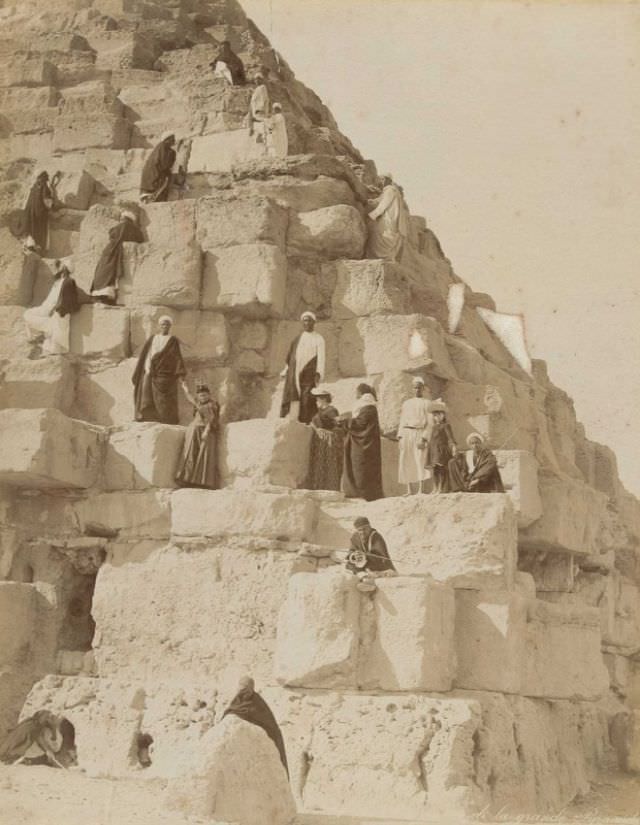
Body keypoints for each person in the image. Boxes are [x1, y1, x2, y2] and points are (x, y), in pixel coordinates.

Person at [223, 676, 288, 777]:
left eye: (247, 689)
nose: (244, 693)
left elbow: (267, 724)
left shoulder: (258, 704)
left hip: (268, 744)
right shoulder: (238, 700)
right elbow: (233, 712)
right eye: (241, 689)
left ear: (252, 689)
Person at [132, 315, 187, 424]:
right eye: (163, 324)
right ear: (159, 326)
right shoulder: (153, 338)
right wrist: (147, 368)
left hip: (165, 374)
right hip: (151, 370)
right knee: (146, 393)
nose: (165, 326)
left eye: (167, 324)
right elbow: (147, 354)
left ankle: (165, 419)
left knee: (164, 399)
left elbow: (177, 357)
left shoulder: (172, 340)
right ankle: (147, 416)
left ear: (170, 326)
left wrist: (181, 373)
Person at [23, 260, 80, 355]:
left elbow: (68, 299)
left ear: (65, 268)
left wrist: (56, 309)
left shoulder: (69, 281)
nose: (60, 267)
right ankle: (37, 339)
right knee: (28, 315)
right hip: (53, 310)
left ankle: (50, 350)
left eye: (62, 265)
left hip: (60, 311)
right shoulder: (60, 281)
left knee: (56, 335)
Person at [280, 311, 326, 424]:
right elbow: (290, 357)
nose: (306, 323)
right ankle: (293, 421)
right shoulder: (297, 338)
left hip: (309, 373)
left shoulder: (319, 338)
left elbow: (321, 358)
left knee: (306, 398)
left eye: (309, 320)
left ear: (313, 322)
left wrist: (319, 373)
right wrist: (286, 370)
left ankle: (306, 422)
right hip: (294, 372)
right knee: (293, 396)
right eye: (304, 320)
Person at [90, 209, 144, 305]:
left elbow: (112, 233)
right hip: (116, 250)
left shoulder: (121, 226)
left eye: (121, 218)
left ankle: (102, 295)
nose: (120, 220)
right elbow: (140, 238)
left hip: (111, 250)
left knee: (103, 271)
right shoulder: (136, 230)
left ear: (124, 218)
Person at [342, 383, 383, 501]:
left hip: (363, 446)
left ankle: (363, 493)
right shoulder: (367, 406)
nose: (355, 394)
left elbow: (360, 424)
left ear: (361, 392)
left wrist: (346, 421)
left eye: (356, 391)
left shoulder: (367, 407)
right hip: (365, 444)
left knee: (361, 468)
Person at [175, 382, 220, 489]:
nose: (203, 397)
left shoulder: (212, 404)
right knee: (190, 454)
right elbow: (190, 398)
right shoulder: (199, 404)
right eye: (200, 395)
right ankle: (187, 479)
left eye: (204, 395)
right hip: (194, 432)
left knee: (204, 456)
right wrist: (184, 388)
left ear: (209, 395)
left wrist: (206, 431)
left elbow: (212, 419)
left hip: (205, 432)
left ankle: (203, 482)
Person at [0, 711, 76, 768]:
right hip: (29, 744)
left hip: (27, 741)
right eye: (50, 718)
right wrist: (47, 750)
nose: (52, 718)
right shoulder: (37, 727)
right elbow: (40, 740)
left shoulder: (37, 724)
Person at [305, 387, 343, 491]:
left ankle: (329, 487)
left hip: (327, 439)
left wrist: (330, 434)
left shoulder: (331, 410)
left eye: (318, 398)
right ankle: (319, 486)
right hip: (319, 439)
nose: (316, 401)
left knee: (328, 461)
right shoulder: (320, 411)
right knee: (319, 462)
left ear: (323, 399)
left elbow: (338, 423)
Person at [397, 377, 431, 495]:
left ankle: (421, 489)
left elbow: (429, 422)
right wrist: (400, 436)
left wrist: (424, 438)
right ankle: (409, 489)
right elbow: (402, 420)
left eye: (419, 387)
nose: (417, 390)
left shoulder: (427, 403)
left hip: (419, 433)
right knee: (406, 459)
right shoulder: (406, 403)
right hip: (407, 433)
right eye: (415, 387)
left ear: (423, 389)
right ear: (412, 389)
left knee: (420, 459)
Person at [366, 174, 410, 261]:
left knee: (382, 234)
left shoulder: (390, 190)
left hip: (390, 218)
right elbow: (380, 200)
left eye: (383, 180)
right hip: (389, 218)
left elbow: (383, 204)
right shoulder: (388, 191)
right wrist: (371, 201)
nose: (381, 182)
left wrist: (372, 215)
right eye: (381, 180)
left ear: (387, 180)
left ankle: (381, 256)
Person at [20, 170, 59, 254]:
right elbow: (46, 200)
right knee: (40, 231)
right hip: (40, 213)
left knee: (32, 230)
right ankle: (39, 250)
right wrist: (53, 206)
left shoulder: (34, 186)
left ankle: (31, 247)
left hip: (30, 212)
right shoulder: (44, 186)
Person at [425, 399, 457, 494]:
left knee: (442, 469)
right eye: (434, 416)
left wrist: (454, 446)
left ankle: (441, 488)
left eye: (438, 415)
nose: (436, 418)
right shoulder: (434, 427)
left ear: (442, 415)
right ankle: (435, 487)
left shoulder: (446, 426)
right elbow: (432, 439)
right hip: (433, 450)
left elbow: (450, 437)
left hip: (442, 450)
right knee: (435, 469)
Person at [140, 132, 177, 203]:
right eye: (172, 139)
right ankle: (156, 198)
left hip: (149, 177)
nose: (174, 140)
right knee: (168, 179)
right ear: (167, 140)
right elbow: (165, 165)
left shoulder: (160, 147)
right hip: (154, 177)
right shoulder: (164, 148)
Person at [246, 71, 271, 141]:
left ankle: (260, 136)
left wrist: (260, 108)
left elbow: (263, 98)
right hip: (254, 109)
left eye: (258, 79)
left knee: (261, 124)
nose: (256, 81)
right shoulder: (257, 89)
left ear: (261, 80)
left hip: (259, 110)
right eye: (255, 79)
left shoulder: (263, 87)